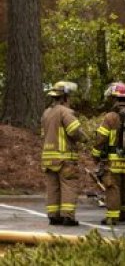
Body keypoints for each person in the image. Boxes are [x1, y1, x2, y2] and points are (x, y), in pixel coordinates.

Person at [91, 82, 125, 225]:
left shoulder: (110, 117)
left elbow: (101, 139)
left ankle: (112, 217)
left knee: (113, 187)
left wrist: (95, 155)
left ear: (115, 98)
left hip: (113, 161)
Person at [41, 81, 87, 226]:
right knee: (69, 185)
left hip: (48, 159)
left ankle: (53, 216)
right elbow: (74, 131)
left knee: (52, 188)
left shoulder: (46, 113)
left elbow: (44, 134)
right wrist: (85, 138)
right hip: (64, 158)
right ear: (65, 97)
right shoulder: (65, 112)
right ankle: (68, 217)